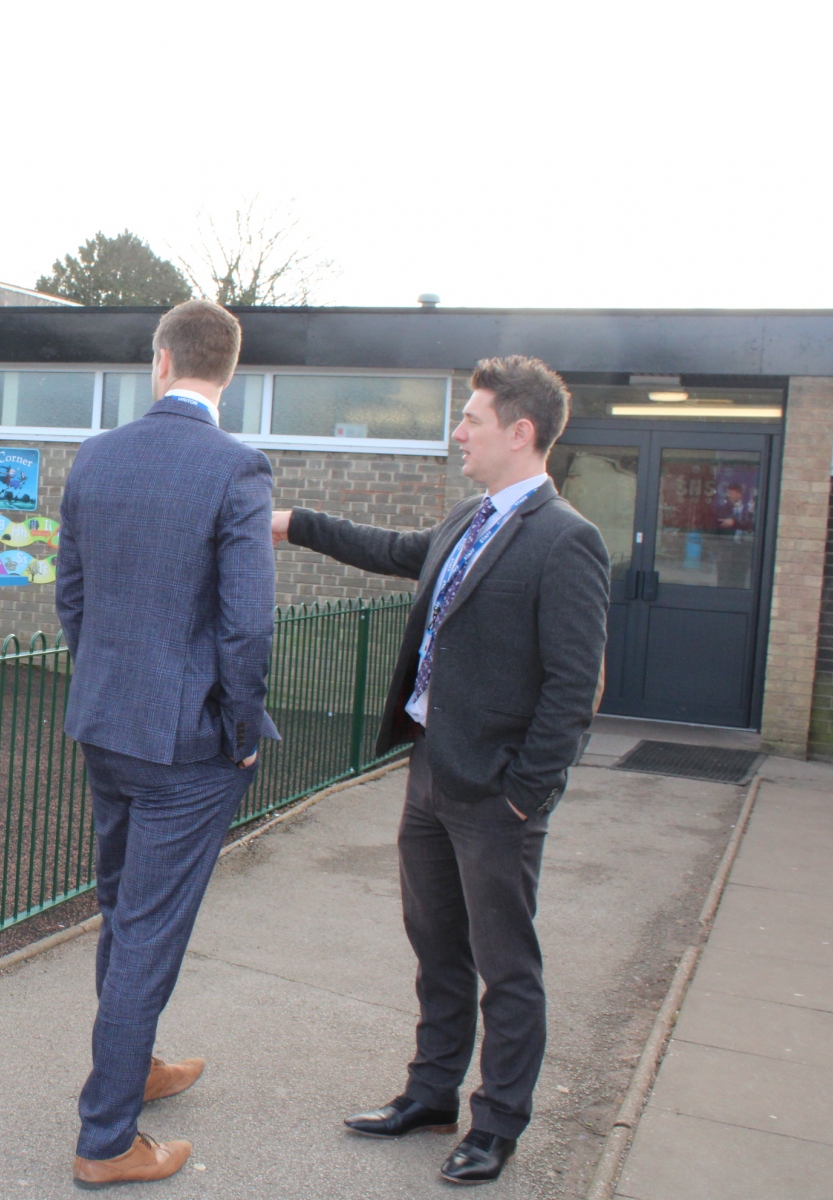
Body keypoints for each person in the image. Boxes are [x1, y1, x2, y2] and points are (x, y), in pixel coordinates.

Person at [272, 355, 608, 1186]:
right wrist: (295, 523)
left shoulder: (567, 540)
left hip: (496, 796)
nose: (458, 432)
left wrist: (526, 794)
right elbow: (395, 550)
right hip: (431, 773)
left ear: (520, 432)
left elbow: (575, 686)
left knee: (507, 967)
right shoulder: (470, 517)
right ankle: (430, 1094)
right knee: (436, 947)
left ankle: (497, 1124)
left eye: (473, 419)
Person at [56, 299, 279, 1188]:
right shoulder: (237, 468)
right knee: (147, 931)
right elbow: (247, 624)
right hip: (186, 747)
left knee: (124, 913)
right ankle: (107, 1140)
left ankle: (133, 1066)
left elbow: (73, 597)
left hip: (106, 725)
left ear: (160, 361)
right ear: (228, 372)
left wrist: (109, 683)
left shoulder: (96, 457)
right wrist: (243, 730)